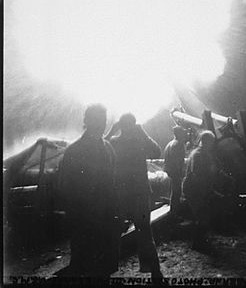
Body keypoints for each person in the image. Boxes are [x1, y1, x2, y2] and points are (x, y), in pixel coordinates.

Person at [58, 104, 120, 279]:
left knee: (102, 272)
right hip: (85, 221)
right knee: (84, 270)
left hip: (106, 220)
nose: (102, 124)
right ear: (87, 121)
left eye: (104, 120)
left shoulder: (108, 148)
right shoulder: (74, 151)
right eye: (98, 120)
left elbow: (113, 184)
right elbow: (66, 188)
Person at [108, 113, 163, 280]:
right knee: (145, 233)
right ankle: (155, 273)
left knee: (113, 232)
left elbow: (101, 145)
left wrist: (111, 131)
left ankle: (107, 271)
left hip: (121, 195)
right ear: (134, 125)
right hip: (140, 193)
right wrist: (143, 132)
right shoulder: (140, 142)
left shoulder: (114, 143)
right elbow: (157, 151)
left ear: (121, 125)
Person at [183, 130, 235, 251]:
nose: (212, 144)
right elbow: (198, 175)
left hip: (202, 188)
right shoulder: (197, 155)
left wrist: (226, 177)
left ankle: (202, 240)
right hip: (194, 189)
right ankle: (198, 243)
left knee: (206, 213)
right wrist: (209, 190)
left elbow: (216, 170)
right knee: (202, 215)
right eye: (211, 141)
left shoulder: (206, 154)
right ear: (206, 141)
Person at [164, 126, 187, 217]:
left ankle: (172, 209)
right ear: (179, 133)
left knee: (173, 190)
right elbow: (177, 160)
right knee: (177, 192)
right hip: (175, 171)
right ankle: (174, 213)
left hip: (170, 170)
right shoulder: (178, 144)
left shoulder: (170, 143)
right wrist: (180, 171)